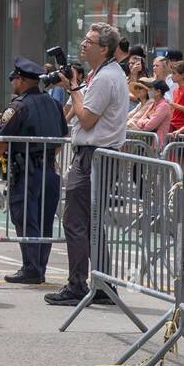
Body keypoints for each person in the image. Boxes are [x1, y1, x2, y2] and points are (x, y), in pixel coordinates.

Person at [47, 22, 129, 307]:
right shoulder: (101, 74)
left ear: (103, 48)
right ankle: (104, 285)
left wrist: (72, 88)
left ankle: (78, 284)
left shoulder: (106, 77)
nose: (83, 44)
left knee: (76, 221)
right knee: (91, 222)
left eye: (89, 41)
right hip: (95, 155)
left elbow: (87, 118)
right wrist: (75, 87)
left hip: (94, 156)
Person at [0, 58, 66, 285]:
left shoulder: (18, 106)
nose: (13, 83)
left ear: (22, 80)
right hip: (49, 170)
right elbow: (61, 139)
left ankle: (31, 268)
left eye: (14, 78)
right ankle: (39, 267)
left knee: (25, 219)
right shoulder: (54, 104)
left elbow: (1, 140)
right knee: (44, 222)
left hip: (26, 173)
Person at [132, 79, 173, 148]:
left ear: (158, 92)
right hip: (147, 143)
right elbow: (139, 121)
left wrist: (145, 121)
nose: (149, 91)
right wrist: (146, 120)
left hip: (157, 145)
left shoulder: (164, 106)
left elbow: (149, 126)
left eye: (151, 89)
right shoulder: (153, 103)